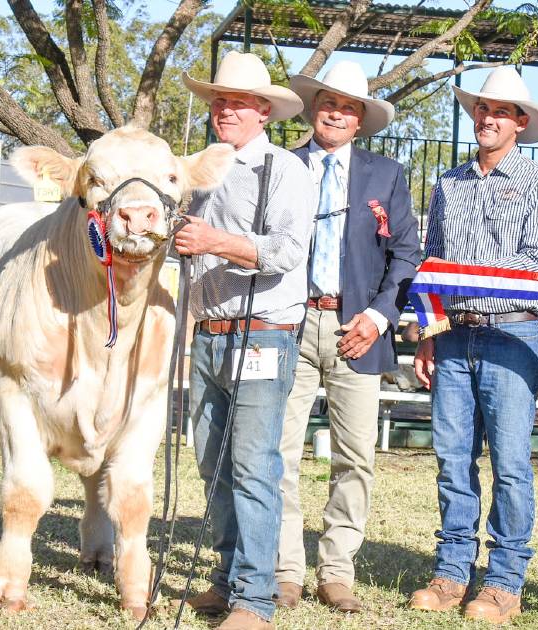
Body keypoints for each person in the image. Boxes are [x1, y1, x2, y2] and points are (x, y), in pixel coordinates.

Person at [409, 66, 538, 624]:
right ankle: (452, 571)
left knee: (510, 461)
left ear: (520, 123)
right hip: (452, 334)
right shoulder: (448, 183)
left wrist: (470, 280)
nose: (487, 118)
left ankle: (504, 581)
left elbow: (536, 261)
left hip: (510, 329)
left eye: (500, 111)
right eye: (481, 108)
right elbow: (433, 265)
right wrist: (428, 332)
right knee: (453, 459)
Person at [175, 51, 315, 630]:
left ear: (264, 110)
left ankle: (255, 600)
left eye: (235, 102)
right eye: (218, 102)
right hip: (207, 333)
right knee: (212, 463)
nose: (224, 111)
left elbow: (286, 252)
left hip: (265, 332)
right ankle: (230, 576)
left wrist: (215, 238)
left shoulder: (286, 171)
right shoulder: (195, 172)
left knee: (253, 463)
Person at [274, 61, 420, 612]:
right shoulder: (281, 166)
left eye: (349, 106)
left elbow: (406, 253)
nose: (336, 112)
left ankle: (337, 571)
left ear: (361, 121)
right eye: (329, 102)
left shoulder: (387, 175)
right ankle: (284, 569)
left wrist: (379, 316)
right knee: (277, 453)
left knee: (356, 457)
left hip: (356, 329)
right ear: (314, 108)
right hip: (286, 325)